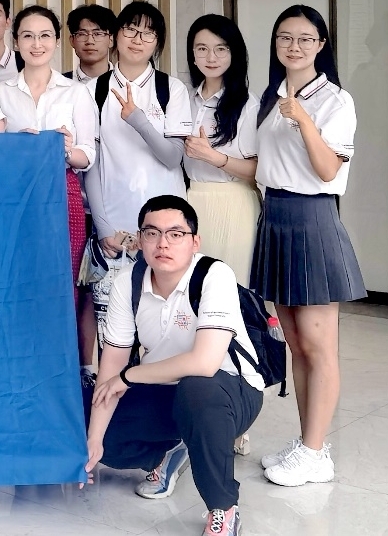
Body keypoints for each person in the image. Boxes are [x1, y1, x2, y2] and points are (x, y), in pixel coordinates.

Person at [86, 196, 264, 536]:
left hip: (229, 392)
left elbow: (204, 363)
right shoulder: (128, 282)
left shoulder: (214, 275)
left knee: (198, 390)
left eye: (176, 234)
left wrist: (129, 376)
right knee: (92, 423)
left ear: (195, 242)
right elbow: (111, 369)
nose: (163, 243)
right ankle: (169, 451)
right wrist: (93, 440)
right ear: (140, 240)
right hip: (163, 391)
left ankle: (223, 508)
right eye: (152, 233)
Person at [251, 4, 364, 487]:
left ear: (320, 45)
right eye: (284, 37)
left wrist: (303, 120)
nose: (293, 46)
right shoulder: (271, 95)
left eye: (304, 38)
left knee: (319, 346)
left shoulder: (335, 100)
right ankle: (308, 443)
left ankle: (316, 451)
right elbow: (262, 165)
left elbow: (327, 169)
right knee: (296, 345)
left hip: (312, 219)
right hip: (275, 217)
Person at [0, 5, 99, 375]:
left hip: (62, 194)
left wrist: (66, 149)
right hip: (15, 199)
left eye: (44, 36)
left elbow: (89, 156)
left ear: (56, 42)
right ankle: (19, 367)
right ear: (16, 42)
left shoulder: (76, 93)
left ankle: (60, 373)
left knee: (63, 284)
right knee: (18, 280)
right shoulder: (1, 92)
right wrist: (16, 147)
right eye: (27, 36)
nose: (36, 44)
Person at [85, 1, 193, 253]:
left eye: (148, 33)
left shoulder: (171, 88)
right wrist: (103, 227)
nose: (137, 40)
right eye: (131, 29)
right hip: (115, 219)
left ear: (157, 42)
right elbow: (92, 166)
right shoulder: (94, 90)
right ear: (115, 35)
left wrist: (139, 121)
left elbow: (172, 158)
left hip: (167, 221)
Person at [183, 15, 261, 281]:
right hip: (192, 200)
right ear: (192, 55)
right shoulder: (185, 99)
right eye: (202, 48)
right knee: (193, 287)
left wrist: (213, 157)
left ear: (233, 53)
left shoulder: (247, 105)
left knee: (232, 285)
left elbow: (257, 171)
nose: (211, 57)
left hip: (234, 204)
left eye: (221, 49)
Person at [67, 4, 117, 83]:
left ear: (111, 40)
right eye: (82, 34)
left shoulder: (126, 84)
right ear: (72, 40)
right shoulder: (59, 85)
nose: (90, 41)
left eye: (97, 34)